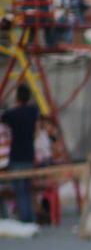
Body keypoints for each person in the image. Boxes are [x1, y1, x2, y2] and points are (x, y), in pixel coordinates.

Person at [2, 84, 39, 223]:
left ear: (17, 98)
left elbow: (4, 116)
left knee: (19, 191)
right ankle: (29, 219)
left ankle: (24, 221)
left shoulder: (13, 114)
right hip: (29, 156)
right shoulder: (33, 112)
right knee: (27, 190)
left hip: (16, 157)